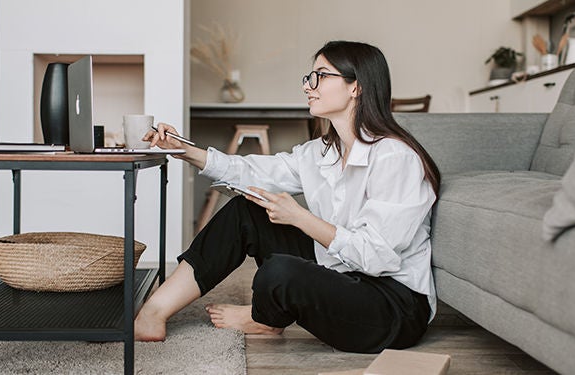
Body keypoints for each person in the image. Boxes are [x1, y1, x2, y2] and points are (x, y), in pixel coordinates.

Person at [135, 40, 441, 353]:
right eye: (309, 77)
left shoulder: (394, 158)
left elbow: (376, 257)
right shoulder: (321, 152)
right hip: (344, 273)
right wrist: (184, 150)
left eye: (321, 76)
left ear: (356, 87)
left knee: (279, 273)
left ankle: (264, 319)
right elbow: (249, 172)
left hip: (393, 304)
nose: (309, 86)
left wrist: (300, 218)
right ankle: (154, 311)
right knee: (246, 210)